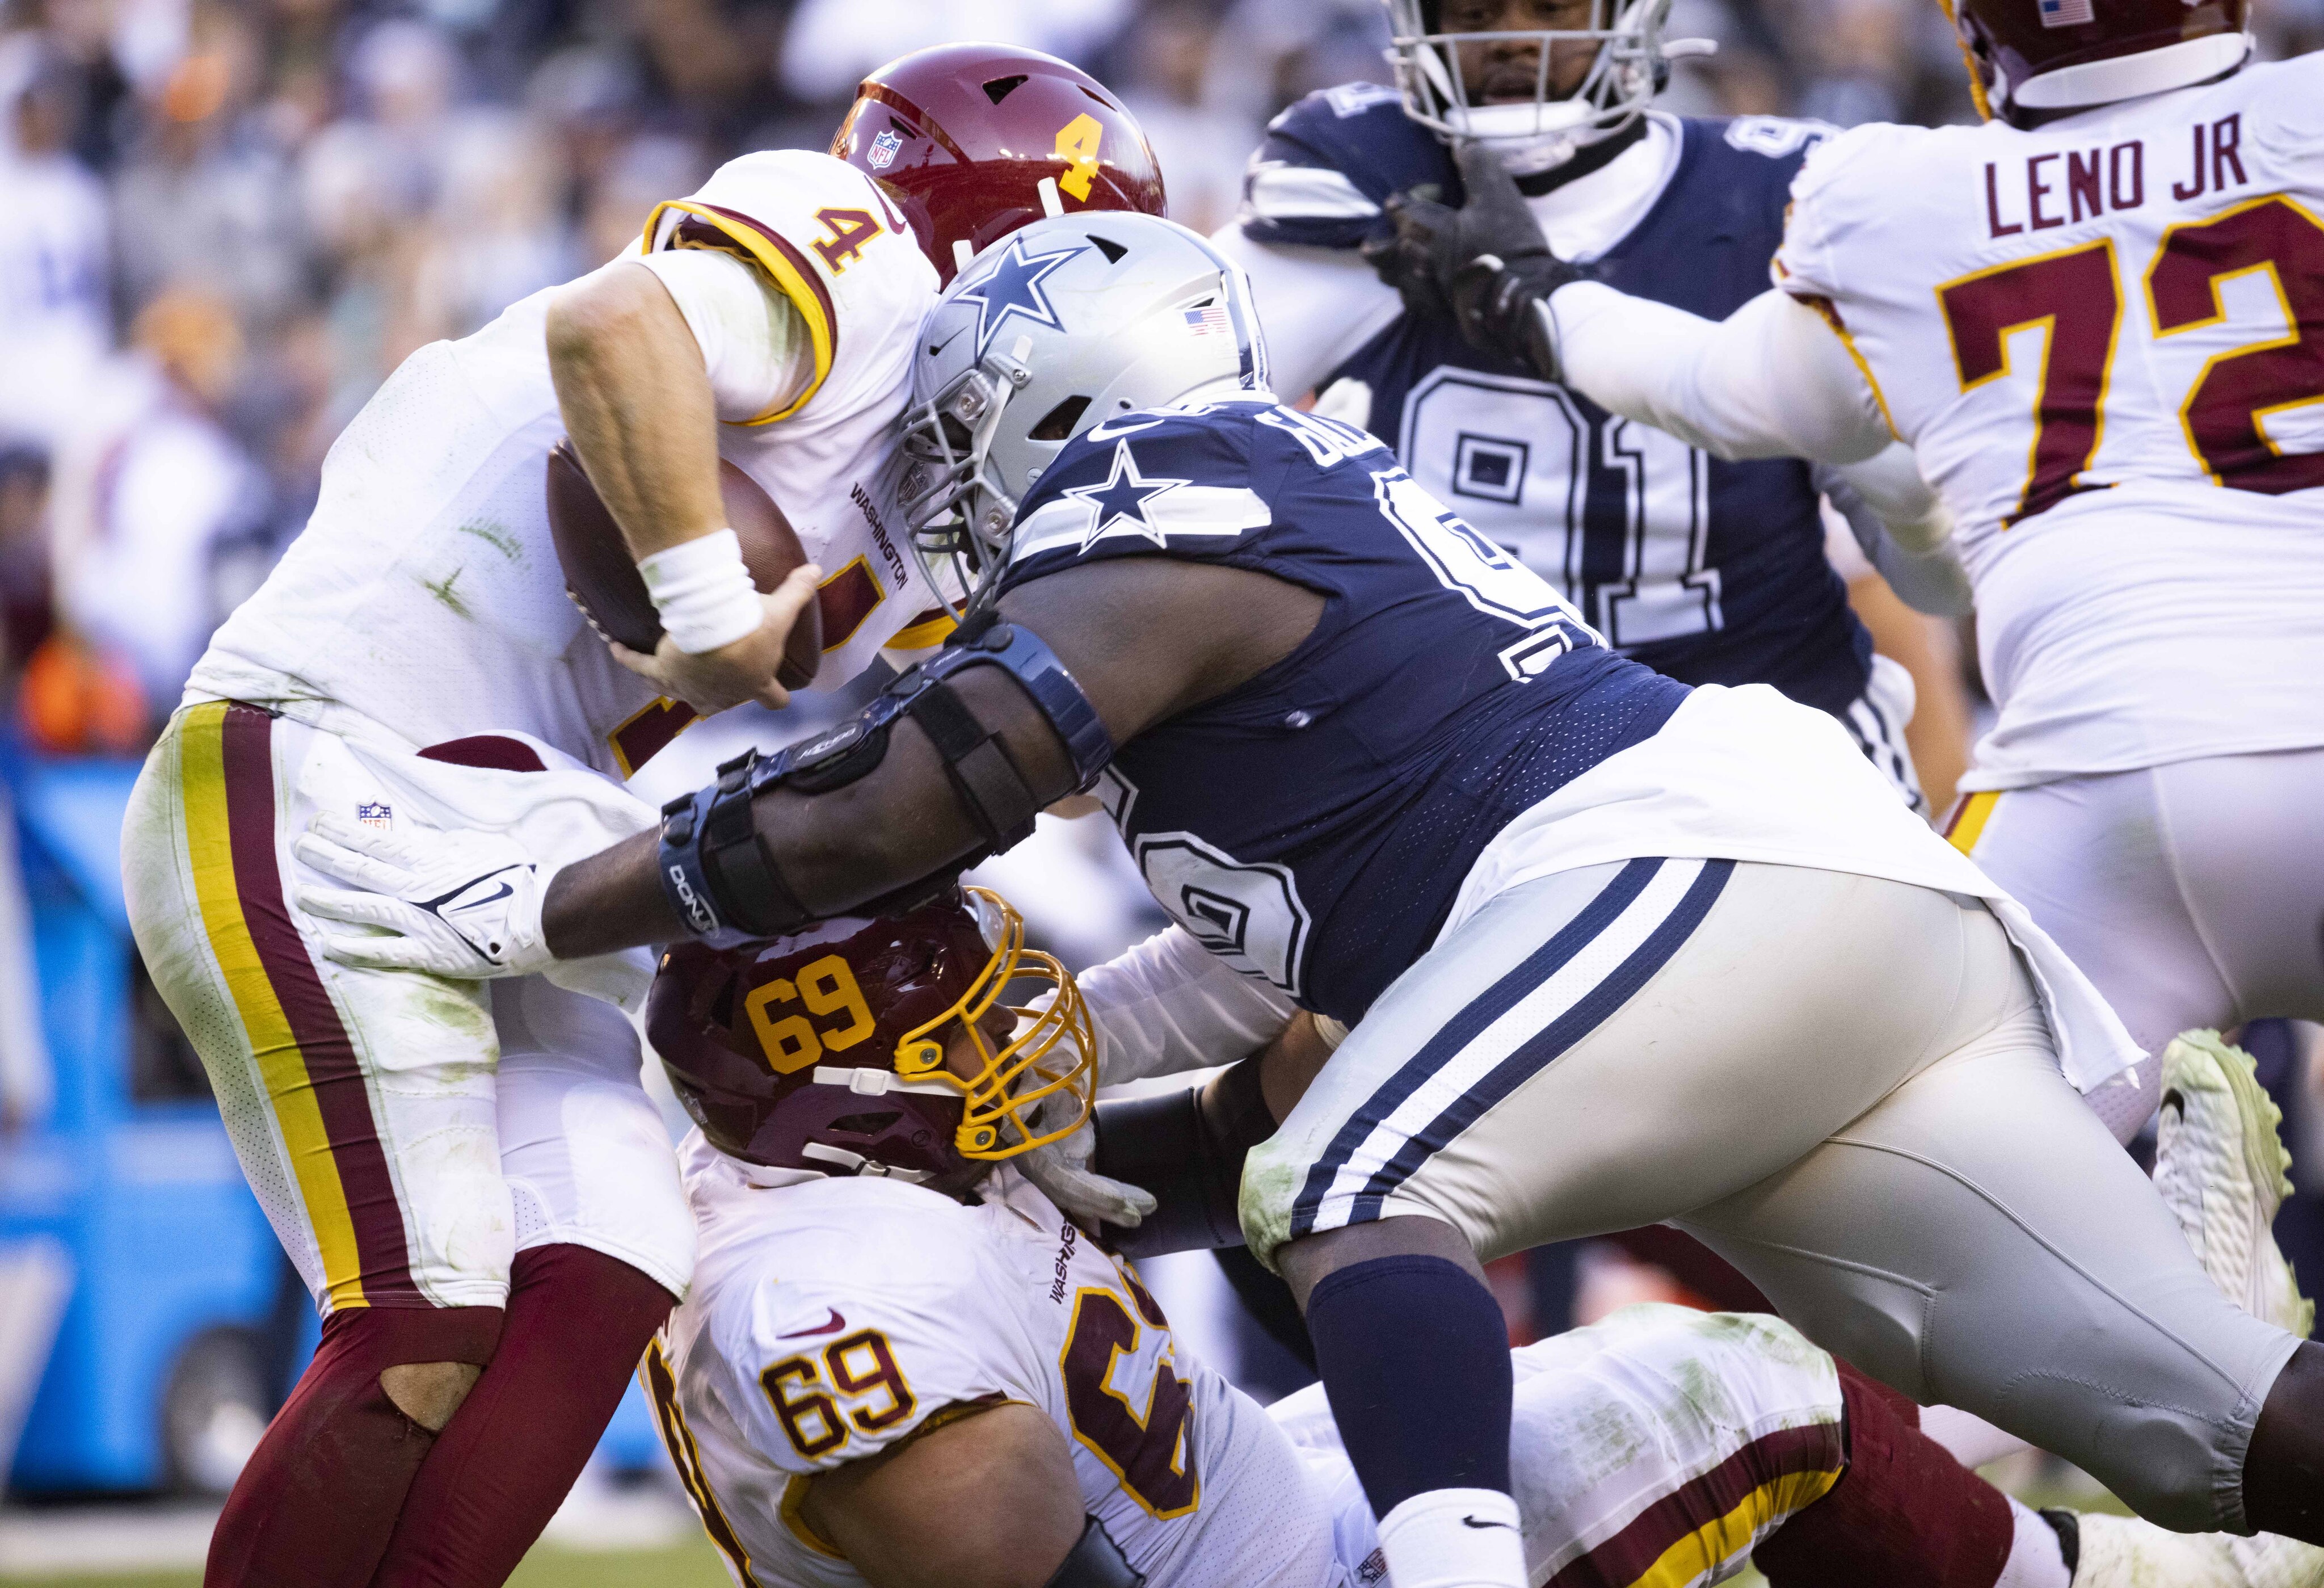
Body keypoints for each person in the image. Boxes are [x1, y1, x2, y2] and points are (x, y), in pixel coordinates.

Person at [297, 209, 2324, 1588]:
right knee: (2223, 1431)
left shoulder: (1158, 483)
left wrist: (528, 911)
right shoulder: (1258, 544)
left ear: (1047, 394)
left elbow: (890, 805)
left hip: (1682, 865)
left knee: (1361, 1192)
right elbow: (1247, 967)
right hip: (1802, 925)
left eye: (950, 441)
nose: (937, 497)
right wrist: (1072, 1066)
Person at [117, 45, 1164, 1588]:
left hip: (505, 810)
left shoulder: (926, 480)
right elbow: (620, 325)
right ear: (997, 240)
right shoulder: (851, 246)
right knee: (426, 1315)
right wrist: (706, 604)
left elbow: (1049, 752)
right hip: (322, 752)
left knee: (610, 1257)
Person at [639, 885, 2321, 1588]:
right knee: (1736, 1382)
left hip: (1244, 1496)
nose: (1022, 1038)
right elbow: (987, 1534)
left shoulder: (870, 1188)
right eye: (964, 1035)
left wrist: (1242, 1125)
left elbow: (1080, 1244)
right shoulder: (816, 1288)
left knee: (1515, 1358)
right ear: (835, 1088)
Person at [1358, 0, 2324, 1142]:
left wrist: (1531, 293)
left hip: (2084, 790)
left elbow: (1707, 386)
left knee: (1931, 1217)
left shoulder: (1903, 201)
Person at [1213, 0, 1971, 812]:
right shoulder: (1365, 186)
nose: (1511, 38)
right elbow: (1137, 417)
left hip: (1772, 770)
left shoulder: (1781, 201)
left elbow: (1941, 585)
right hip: (1462, 784)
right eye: (1473, 12)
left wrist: (1906, 490)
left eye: (1552, 7)